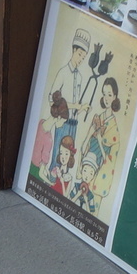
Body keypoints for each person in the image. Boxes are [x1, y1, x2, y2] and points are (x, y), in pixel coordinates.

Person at [47, 28, 94, 175]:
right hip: (62, 122)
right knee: (59, 152)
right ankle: (52, 176)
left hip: (74, 123)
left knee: (69, 156)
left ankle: (62, 183)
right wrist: (72, 107)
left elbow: (73, 107)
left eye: (83, 57)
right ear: (73, 50)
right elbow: (52, 98)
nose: (81, 59)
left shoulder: (79, 77)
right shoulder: (63, 72)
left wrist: (82, 108)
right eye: (79, 54)